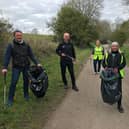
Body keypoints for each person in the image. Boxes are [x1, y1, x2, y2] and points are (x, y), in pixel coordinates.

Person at [2, 30, 41, 106]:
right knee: (14, 82)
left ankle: (26, 95)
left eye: (20, 35)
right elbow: (7, 57)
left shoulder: (26, 44)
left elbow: (31, 55)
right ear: (14, 36)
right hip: (16, 67)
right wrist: (4, 67)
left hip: (26, 66)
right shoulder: (11, 45)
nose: (19, 37)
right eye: (17, 35)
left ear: (22, 36)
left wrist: (37, 63)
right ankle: (10, 99)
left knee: (26, 81)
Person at [102, 42, 126, 113]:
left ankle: (119, 105)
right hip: (109, 74)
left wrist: (118, 68)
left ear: (118, 47)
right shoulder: (107, 54)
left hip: (117, 75)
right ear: (111, 47)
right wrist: (105, 67)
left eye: (116, 46)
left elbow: (124, 63)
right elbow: (103, 63)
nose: (114, 47)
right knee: (108, 88)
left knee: (118, 90)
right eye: (113, 46)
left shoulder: (121, 54)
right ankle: (110, 99)